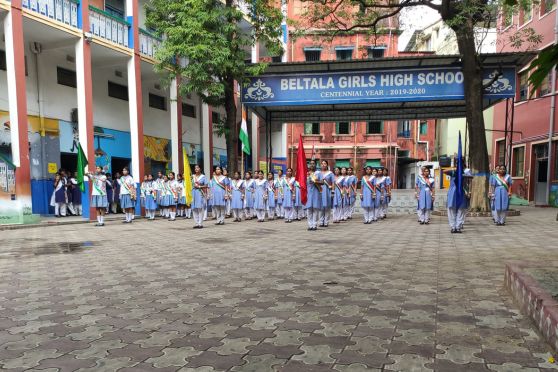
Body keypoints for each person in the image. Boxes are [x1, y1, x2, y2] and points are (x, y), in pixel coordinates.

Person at [445, 166, 471, 233]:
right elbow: (444, 171)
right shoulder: (453, 172)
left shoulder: (465, 172)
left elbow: (471, 178)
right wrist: (454, 170)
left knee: (461, 210)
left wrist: (464, 173)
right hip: (452, 192)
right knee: (451, 210)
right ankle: (453, 227)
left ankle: (458, 227)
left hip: (461, 192)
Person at [306, 160, 323, 230]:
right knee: (309, 209)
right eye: (311, 164)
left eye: (313, 164)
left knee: (315, 209)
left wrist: (315, 181)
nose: (312, 165)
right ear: (309, 165)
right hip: (308, 192)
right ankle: (310, 225)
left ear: (316, 165)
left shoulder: (318, 173)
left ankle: (314, 225)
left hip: (316, 191)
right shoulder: (307, 173)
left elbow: (322, 182)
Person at [317, 160, 334, 227]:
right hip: (320, 191)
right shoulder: (318, 173)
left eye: (325, 164)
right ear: (320, 165)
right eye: (322, 164)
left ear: (327, 165)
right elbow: (316, 181)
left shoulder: (330, 173)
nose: (323, 165)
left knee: (327, 207)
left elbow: (333, 183)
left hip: (327, 191)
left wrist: (333, 191)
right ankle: (321, 222)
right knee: (321, 207)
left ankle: (326, 221)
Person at [192, 164, 208, 228]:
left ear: (200, 169)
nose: (196, 169)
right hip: (193, 193)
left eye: (197, 168)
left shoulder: (203, 177)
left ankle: (200, 223)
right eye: (195, 168)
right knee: (194, 208)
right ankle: (196, 223)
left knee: (200, 208)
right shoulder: (192, 176)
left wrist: (199, 186)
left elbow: (206, 185)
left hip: (200, 192)